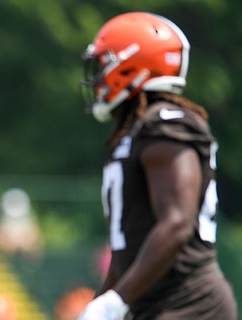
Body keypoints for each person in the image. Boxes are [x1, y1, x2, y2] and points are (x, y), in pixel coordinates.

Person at [77, 12, 237, 320]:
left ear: (129, 65)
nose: (97, 78)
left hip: (190, 305)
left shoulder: (165, 125)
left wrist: (116, 301)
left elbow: (177, 223)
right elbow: (130, 248)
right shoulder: (135, 132)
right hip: (155, 305)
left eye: (102, 65)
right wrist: (102, 301)